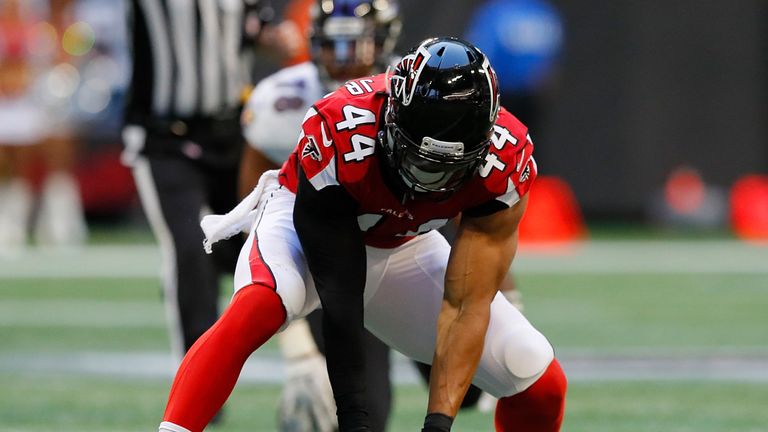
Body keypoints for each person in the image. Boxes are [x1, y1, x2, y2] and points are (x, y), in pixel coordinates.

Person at [159, 37, 567, 432]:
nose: (428, 180)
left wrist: (437, 425)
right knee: (261, 303)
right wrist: (353, 419)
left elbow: (465, 308)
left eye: (447, 170)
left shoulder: (505, 159)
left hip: (405, 243)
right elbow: (341, 303)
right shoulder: (340, 130)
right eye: (420, 160)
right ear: (392, 119)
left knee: (533, 373)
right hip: (306, 223)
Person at [239, 1, 401, 431]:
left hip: (400, 248)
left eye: (357, 44)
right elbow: (254, 216)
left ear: (383, 44)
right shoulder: (283, 97)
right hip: (316, 251)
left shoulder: (410, 95)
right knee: (359, 411)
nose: (344, 59)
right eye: (335, 45)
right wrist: (297, 351)